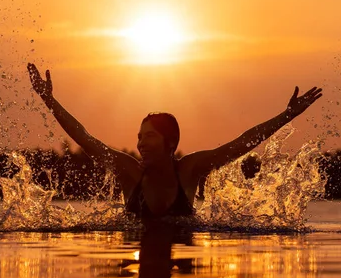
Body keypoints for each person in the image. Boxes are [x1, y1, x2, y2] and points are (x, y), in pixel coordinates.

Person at [27, 63, 322, 218]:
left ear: (171, 143)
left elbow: (241, 144)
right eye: (139, 137)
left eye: (149, 137)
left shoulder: (189, 170)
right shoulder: (130, 171)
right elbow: (85, 138)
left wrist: (287, 116)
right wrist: (49, 101)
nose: (141, 143)